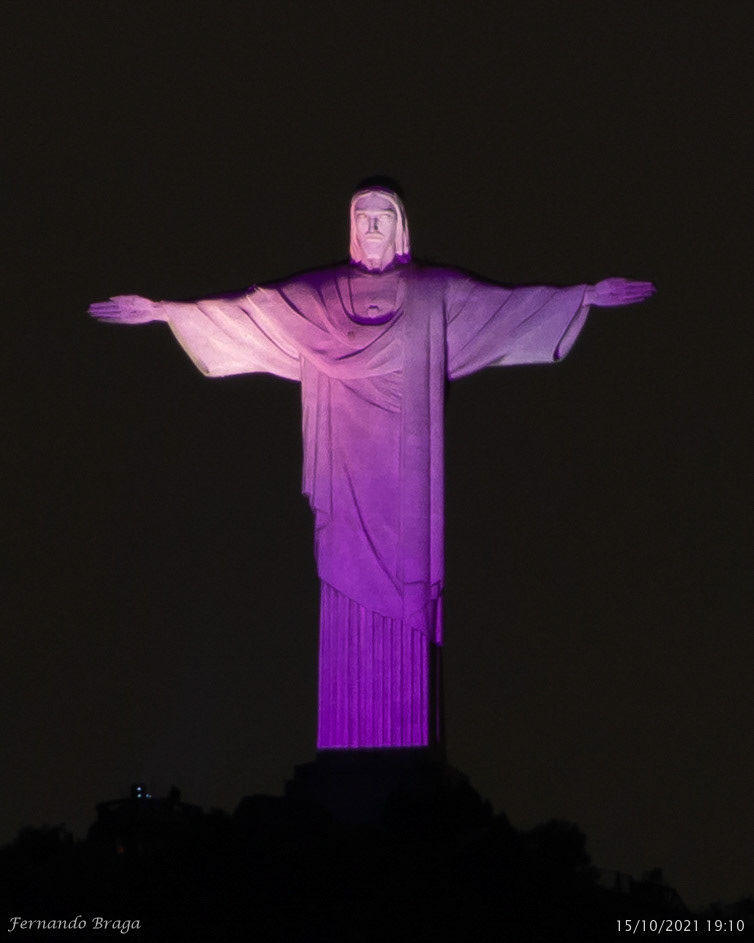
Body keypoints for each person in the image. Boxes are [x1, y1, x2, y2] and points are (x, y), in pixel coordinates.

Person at [90, 180, 655, 751]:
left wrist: (582, 297)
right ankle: (350, 746)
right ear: (351, 226)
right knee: (344, 579)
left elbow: (506, 309)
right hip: (344, 471)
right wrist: (163, 312)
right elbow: (251, 314)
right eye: (363, 216)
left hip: (407, 478)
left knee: (408, 596)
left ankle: (403, 742)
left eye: (384, 215)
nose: (373, 225)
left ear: (402, 225)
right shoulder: (319, 297)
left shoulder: (433, 292)